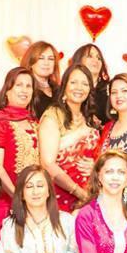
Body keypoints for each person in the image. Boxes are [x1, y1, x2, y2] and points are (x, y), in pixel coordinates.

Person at [38, 64, 101, 211]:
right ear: (64, 86)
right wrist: (79, 192)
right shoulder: (53, 116)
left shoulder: (90, 118)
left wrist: (96, 166)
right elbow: (48, 164)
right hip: (61, 197)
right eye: (73, 82)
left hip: (91, 194)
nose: (79, 87)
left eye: (85, 83)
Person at [0, 67, 40, 197]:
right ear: (7, 91)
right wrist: (17, 198)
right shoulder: (0, 122)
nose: (24, 90)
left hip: (36, 195)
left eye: (28, 86)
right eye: (19, 85)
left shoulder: (34, 122)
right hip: (9, 197)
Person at [71, 43, 110, 124]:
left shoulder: (110, 88)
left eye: (99, 58)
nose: (96, 60)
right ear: (79, 59)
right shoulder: (69, 87)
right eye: (90, 56)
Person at [21, 41, 60, 116]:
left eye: (51, 59)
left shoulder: (60, 90)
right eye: (41, 58)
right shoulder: (24, 89)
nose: (46, 63)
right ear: (31, 62)